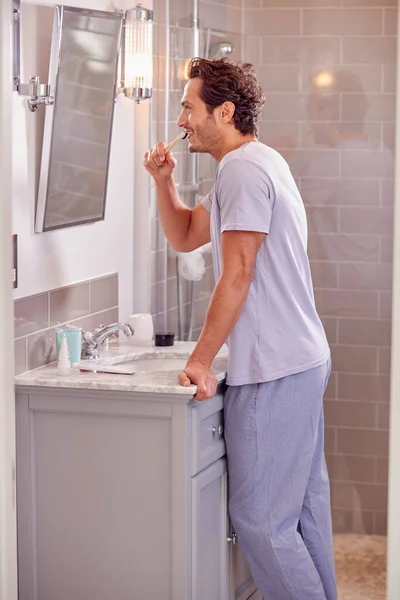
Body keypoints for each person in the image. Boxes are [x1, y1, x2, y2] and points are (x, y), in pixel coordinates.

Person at [144, 57, 338, 600]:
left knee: (262, 523)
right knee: (302, 513)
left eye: (188, 106)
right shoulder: (255, 162)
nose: (180, 119)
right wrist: (164, 182)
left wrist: (200, 359)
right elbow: (185, 235)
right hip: (300, 358)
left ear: (224, 111)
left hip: (277, 366)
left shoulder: (243, 171)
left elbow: (239, 274)